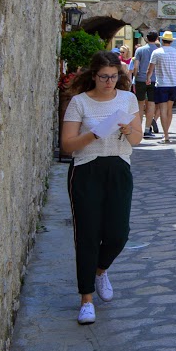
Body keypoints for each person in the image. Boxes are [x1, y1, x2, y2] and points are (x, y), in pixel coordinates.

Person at [60, 50, 143, 325]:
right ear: (93, 75)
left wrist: (126, 130)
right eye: (104, 77)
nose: (109, 82)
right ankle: (86, 299)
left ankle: (100, 270)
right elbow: (67, 146)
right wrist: (94, 133)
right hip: (86, 170)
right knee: (86, 235)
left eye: (114, 77)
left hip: (118, 168)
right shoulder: (79, 103)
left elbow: (137, 140)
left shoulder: (128, 99)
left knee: (119, 234)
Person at [146, 31, 176, 143]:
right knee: (169, 110)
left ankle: (166, 135)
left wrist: (148, 78)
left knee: (163, 110)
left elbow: (150, 69)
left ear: (162, 40)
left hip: (161, 84)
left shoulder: (157, 53)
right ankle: (167, 132)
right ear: (171, 41)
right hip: (173, 84)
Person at [130, 31, 160, 137]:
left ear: (146, 38)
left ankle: (138, 128)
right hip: (154, 80)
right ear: (156, 38)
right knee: (151, 104)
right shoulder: (158, 51)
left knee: (140, 104)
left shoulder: (140, 50)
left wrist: (135, 77)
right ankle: (147, 130)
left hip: (141, 79)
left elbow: (136, 66)